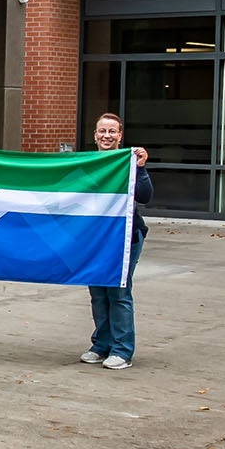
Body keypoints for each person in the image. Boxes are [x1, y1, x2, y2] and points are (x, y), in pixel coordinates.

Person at [83, 113, 152, 370]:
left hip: (125, 238)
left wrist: (141, 168)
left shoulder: (127, 162)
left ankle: (122, 350)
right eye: (102, 131)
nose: (107, 136)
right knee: (98, 294)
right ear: (95, 135)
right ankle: (101, 345)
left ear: (120, 136)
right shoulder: (87, 162)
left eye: (112, 131)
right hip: (94, 240)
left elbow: (145, 196)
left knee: (119, 292)